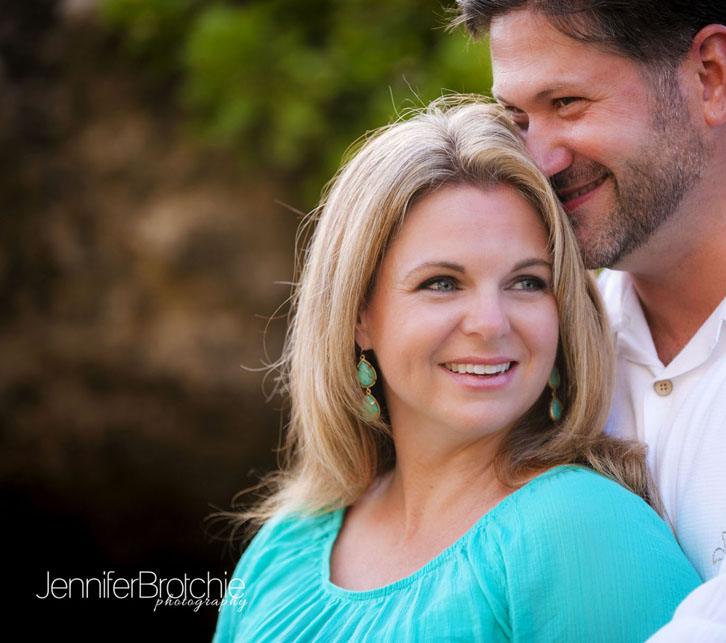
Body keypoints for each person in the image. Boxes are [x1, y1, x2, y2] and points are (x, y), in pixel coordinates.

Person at [455, 0, 726, 640]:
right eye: (518, 117)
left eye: (567, 104)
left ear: (710, 76)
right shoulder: (538, 340)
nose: (537, 159)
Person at [212, 99, 700, 642]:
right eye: (442, 283)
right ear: (358, 316)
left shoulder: (584, 531)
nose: (491, 324)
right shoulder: (284, 548)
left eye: (528, 282)